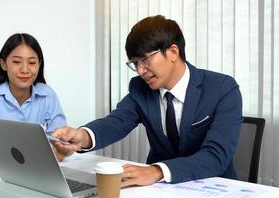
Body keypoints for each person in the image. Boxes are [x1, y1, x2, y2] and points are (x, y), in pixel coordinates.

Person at [52, 15, 243, 186]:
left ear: (173, 52)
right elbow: (117, 122)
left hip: (214, 186)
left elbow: (215, 156)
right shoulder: (140, 88)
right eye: (135, 63)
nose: (140, 70)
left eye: (145, 60)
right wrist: (82, 136)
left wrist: (157, 171)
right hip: (158, 190)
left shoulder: (222, 89)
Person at [0, 33, 67, 160]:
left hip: (37, 169)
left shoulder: (47, 94)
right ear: (3, 64)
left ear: (39, 64)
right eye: (17, 62)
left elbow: (59, 140)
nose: (25, 70)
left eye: (32, 62)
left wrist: (58, 150)